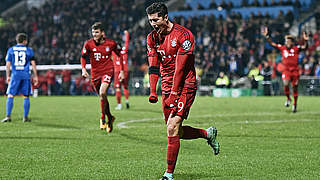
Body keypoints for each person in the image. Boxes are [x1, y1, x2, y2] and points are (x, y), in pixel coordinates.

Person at [146, 3, 220, 180]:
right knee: (175, 131)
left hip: (185, 85)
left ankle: (168, 175)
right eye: (150, 21)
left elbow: (180, 68)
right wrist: (153, 91)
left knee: (172, 127)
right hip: (166, 86)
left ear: (165, 17)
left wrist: (173, 93)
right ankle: (207, 133)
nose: (153, 24)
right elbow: (154, 66)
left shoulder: (184, 36)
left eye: (156, 20)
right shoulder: (152, 38)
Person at [80, 22, 124, 133]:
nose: (94, 34)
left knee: (102, 92)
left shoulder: (111, 43)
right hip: (95, 74)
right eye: (93, 32)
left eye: (97, 32)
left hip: (107, 71)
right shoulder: (88, 44)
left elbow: (120, 55)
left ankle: (102, 118)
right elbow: (83, 57)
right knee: (102, 97)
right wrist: (84, 69)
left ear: (102, 33)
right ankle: (110, 118)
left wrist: (121, 71)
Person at [263, 27, 308, 112]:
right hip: (286, 70)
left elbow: (305, 47)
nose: (286, 42)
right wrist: (267, 36)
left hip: (295, 70)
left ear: (291, 42)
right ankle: (288, 99)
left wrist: (306, 40)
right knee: (286, 84)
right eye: (286, 41)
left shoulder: (296, 49)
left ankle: (295, 104)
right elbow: (272, 44)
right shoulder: (282, 48)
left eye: (288, 41)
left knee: (295, 87)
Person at [2, 33, 38, 123]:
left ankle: (8, 116)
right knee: (26, 96)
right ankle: (25, 117)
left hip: (15, 75)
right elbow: (33, 64)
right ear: (25, 41)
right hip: (25, 75)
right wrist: (36, 76)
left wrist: (8, 76)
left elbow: (8, 64)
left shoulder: (11, 50)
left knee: (10, 95)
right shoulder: (29, 50)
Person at [113, 30, 130, 110]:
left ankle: (119, 105)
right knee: (125, 87)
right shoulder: (124, 51)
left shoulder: (113, 52)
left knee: (118, 88)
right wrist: (127, 35)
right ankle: (127, 101)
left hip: (118, 71)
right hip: (126, 70)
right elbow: (127, 43)